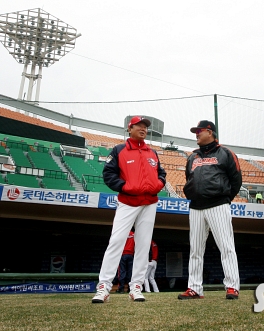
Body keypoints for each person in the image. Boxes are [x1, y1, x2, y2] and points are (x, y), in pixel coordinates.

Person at [92, 116, 167, 303]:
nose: (143, 129)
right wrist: (125, 187)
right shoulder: (119, 150)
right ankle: (104, 287)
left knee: (143, 246)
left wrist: (159, 183)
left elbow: (161, 173)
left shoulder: (152, 152)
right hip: (127, 201)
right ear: (130, 128)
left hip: (149, 202)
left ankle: (136, 287)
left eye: (145, 127)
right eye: (139, 126)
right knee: (116, 241)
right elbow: (108, 174)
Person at [178, 120, 242, 301]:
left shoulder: (226, 153)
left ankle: (232, 286)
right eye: (195, 132)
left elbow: (236, 179)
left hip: (218, 205)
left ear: (210, 132)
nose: (196, 134)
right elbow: (189, 178)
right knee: (195, 250)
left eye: (199, 131)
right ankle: (194, 288)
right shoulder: (192, 157)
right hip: (196, 207)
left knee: (226, 247)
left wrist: (224, 198)